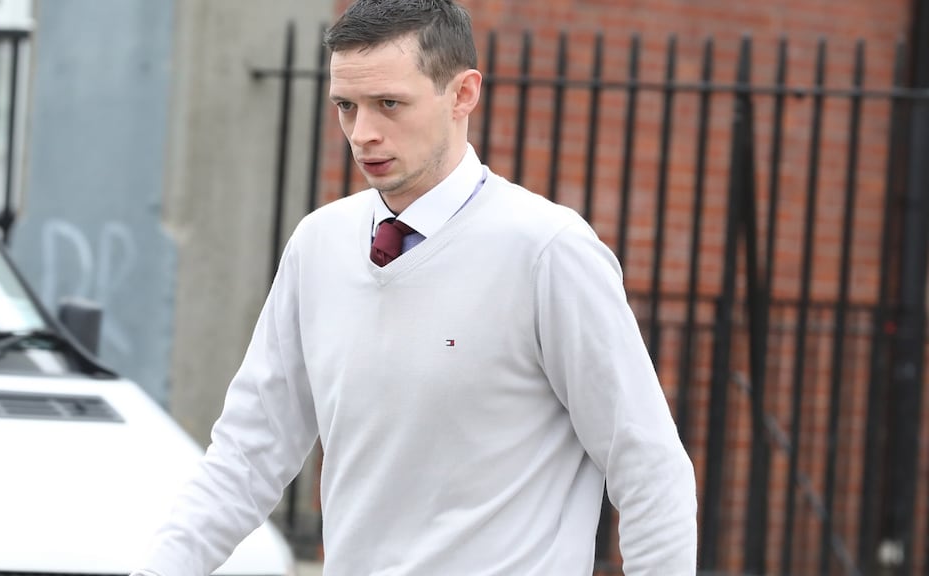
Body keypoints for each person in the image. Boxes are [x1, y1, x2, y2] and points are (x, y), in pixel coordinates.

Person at [134, 0, 697, 574]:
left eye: (389, 105)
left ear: (463, 95)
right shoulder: (318, 245)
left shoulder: (547, 250)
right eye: (346, 107)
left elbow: (649, 466)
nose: (363, 133)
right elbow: (245, 458)